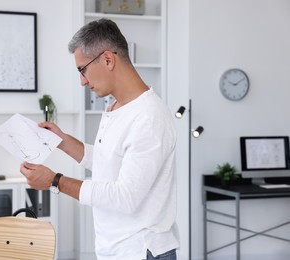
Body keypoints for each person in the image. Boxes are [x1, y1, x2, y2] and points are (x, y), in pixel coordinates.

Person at [20, 18, 179, 260]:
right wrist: (61, 140)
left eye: (82, 69)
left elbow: (125, 197)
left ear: (107, 59)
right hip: (114, 247)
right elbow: (108, 162)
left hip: (140, 250)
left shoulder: (149, 117)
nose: (82, 81)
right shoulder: (116, 107)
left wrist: (55, 180)